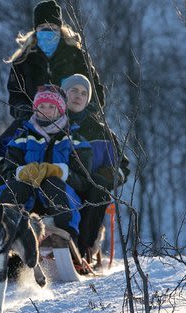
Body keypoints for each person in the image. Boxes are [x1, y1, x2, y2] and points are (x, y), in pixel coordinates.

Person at [0, 85, 91, 242]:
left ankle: (58, 231)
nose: (45, 110)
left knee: (52, 183)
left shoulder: (76, 141)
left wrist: (60, 171)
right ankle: (2, 227)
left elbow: (84, 181)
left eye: (51, 106)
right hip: (27, 201)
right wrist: (21, 172)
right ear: (35, 108)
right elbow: (7, 171)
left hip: (61, 200)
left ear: (60, 110)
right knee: (15, 188)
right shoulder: (21, 138)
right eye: (41, 106)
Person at [60, 73, 130, 261]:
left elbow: (123, 166)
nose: (78, 96)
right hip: (61, 183)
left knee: (98, 191)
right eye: (73, 90)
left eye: (84, 93)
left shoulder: (101, 130)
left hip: (91, 187)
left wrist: (106, 176)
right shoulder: (51, 119)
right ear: (63, 93)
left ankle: (82, 252)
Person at [6, 0, 105, 121]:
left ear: (60, 28)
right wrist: (25, 113)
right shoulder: (22, 60)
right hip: (34, 121)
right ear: (35, 30)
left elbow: (94, 89)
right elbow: (15, 96)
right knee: (6, 140)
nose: (47, 31)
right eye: (42, 27)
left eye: (52, 27)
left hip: (74, 122)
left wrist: (86, 113)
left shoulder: (76, 55)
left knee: (106, 138)